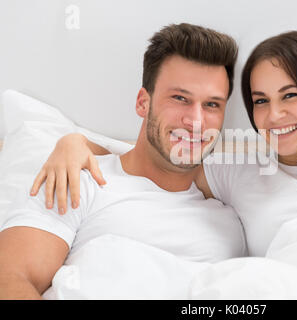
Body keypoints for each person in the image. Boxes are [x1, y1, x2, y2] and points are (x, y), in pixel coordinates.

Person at [30, 31, 297, 300]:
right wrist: (75, 140)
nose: (274, 115)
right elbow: (164, 147)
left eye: (290, 95)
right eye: (261, 101)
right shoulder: (242, 164)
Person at [0, 23, 246, 299]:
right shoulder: (78, 181)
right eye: (180, 98)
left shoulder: (233, 215)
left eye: (212, 105)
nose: (197, 121)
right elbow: (11, 279)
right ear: (143, 102)